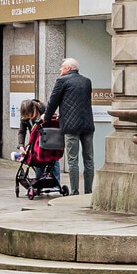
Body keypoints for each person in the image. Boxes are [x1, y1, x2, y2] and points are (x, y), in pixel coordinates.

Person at [44, 58, 96, 196]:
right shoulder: (87, 81)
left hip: (71, 127)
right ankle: (89, 192)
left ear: (68, 68)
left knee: (73, 160)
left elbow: (53, 102)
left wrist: (46, 118)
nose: (60, 70)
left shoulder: (62, 81)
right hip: (88, 125)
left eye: (62, 67)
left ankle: (74, 192)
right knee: (89, 159)